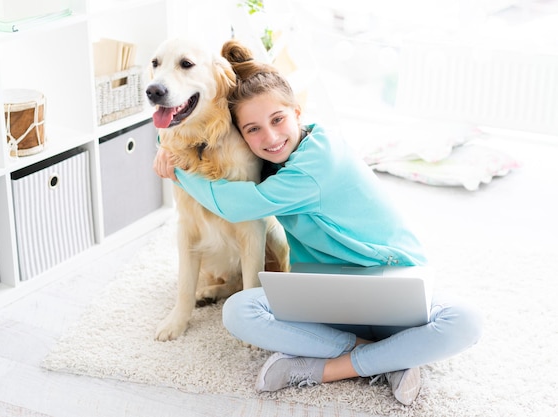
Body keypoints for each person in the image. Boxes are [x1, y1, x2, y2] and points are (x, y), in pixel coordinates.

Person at [153, 40, 483, 406]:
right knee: (239, 311)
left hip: (389, 288)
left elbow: (238, 206)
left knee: (464, 321)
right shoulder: (274, 157)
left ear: (297, 113)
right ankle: (389, 358)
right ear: (241, 135)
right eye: (253, 129)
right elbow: (199, 135)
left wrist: (179, 171)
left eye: (277, 120)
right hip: (328, 295)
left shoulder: (318, 161)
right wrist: (168, 142)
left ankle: (327, 369)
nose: (271, 137)